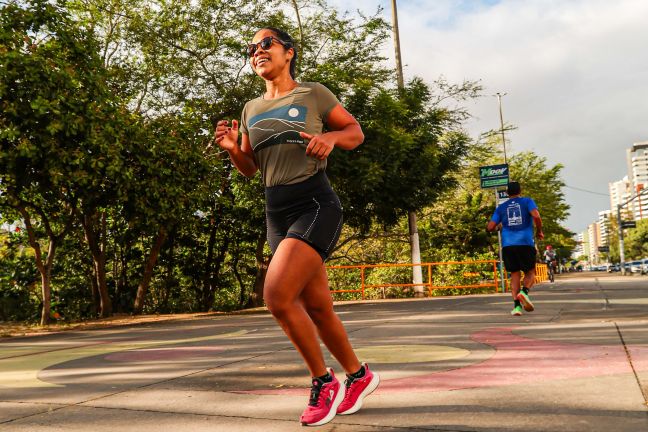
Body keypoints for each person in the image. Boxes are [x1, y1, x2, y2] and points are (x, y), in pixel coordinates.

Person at [212, 27, 379, 426]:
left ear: (288, 52)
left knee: (277, 296)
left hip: (314, 203)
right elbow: (252, 169)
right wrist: (235, 149)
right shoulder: (251, 109)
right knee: (317, 307)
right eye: (250, 48)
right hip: (276, 212)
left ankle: (324, 382)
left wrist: (332, 139)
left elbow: (355, 133)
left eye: (265, 43)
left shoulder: (313, 94)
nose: (257, 51)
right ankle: (359, 376)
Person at [487, 181, 544, 316]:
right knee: (530, 271)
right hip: (525, 243)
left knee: (514, 274)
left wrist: (499, 226)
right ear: (520, 191)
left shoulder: (501, 207)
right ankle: (524, 292)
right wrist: (539, 230)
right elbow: (536, 215)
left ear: (507, 193)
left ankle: (517, 307)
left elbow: (490, 227)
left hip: (508, 245)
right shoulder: (527, 201)